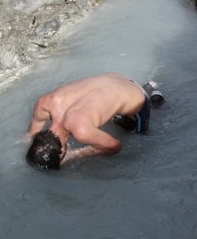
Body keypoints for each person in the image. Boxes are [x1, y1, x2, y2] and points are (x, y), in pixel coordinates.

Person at [25, 73, 164, 170]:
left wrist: (74, 155)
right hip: (117, 77)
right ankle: (146, 88)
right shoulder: (44, 104)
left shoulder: (81, 130)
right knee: (102, 114)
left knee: (138, 134)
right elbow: (29, 135)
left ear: (62, 152)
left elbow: (115, 146)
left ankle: (155, 104)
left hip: (138, 99)